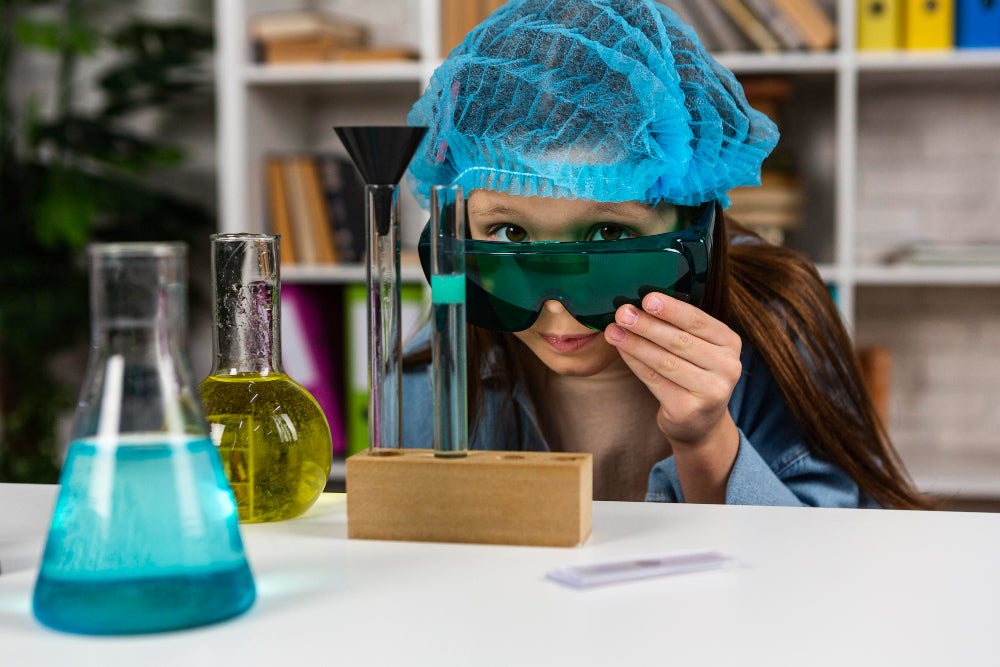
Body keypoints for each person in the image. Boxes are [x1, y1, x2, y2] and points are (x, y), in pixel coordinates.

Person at [400, 0, 930, 509]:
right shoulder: (445, 349)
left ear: (692, 225)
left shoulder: (779, 321)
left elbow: (826, 567)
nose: (556, 308)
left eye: (608, 235)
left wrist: (706, 441)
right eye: (511, 234)